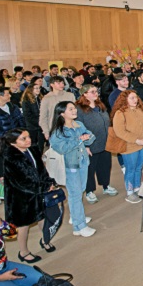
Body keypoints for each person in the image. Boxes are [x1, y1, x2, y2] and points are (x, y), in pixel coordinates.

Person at [0, 129, 57, 263]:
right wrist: (43, 187)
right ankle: (23, 252)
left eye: (28, 136)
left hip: (37, 194)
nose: (28, 140)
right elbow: (21, 182)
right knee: (23, 226)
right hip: (20, 199)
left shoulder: (33, 150)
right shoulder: (11, 158)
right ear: (13, 143)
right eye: (23, 139)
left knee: (42, 218)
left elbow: (42, 170)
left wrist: (48, 182)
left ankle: (45, 239)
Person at [49, 101, 96, 237]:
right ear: (62, 113)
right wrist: (78, 140)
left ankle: (76, 216)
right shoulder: (59, 131)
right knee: (75, 194)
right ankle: (79, 226)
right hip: (71, 166)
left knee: (79, 191)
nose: (74, 111)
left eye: (74, 108)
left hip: (83, 162)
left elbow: (90, 137)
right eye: (70, 109)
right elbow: (61, 148)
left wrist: (87, 138)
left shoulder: (78, 124)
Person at [75, 85, 118, 203]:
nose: (96, 93)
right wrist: (85, 145)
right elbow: (79, 128)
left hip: (105, 142)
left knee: (105, 166)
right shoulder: (79, 109)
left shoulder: (100, 106)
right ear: (84, 94)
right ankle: (89, 191)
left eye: (96, 91)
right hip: (90, 145)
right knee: (90, 169)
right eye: (92, 92)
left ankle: (105, 186)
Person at [111, 90, 143, 204]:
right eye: (132, 98)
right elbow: (119, 131)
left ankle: (137, 187)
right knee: (130, 169)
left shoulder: (141, 110)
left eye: (136, 97)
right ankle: (130, 192)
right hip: (129, 146)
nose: (135, 100)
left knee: (139, 167)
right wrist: (135, 140)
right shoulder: (120, 113)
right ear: (125, 100)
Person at [39, 76, 75, 141]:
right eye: (58, 83)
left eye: (62, 83)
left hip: (70, 127)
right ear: (52, 85)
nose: (62, 85)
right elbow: (43, 117)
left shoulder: (70, 95)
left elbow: (75, 112)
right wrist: (46, 132)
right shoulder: (46, 98)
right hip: (54, 128)